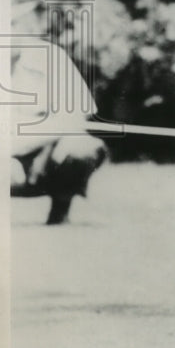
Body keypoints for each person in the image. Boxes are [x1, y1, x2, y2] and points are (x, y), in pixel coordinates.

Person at [10, 37, 106, 225]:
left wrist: (44, 152)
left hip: (41, 152)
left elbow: (76, 117)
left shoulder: (50, 56)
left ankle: (60, 212)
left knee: (81, 147)